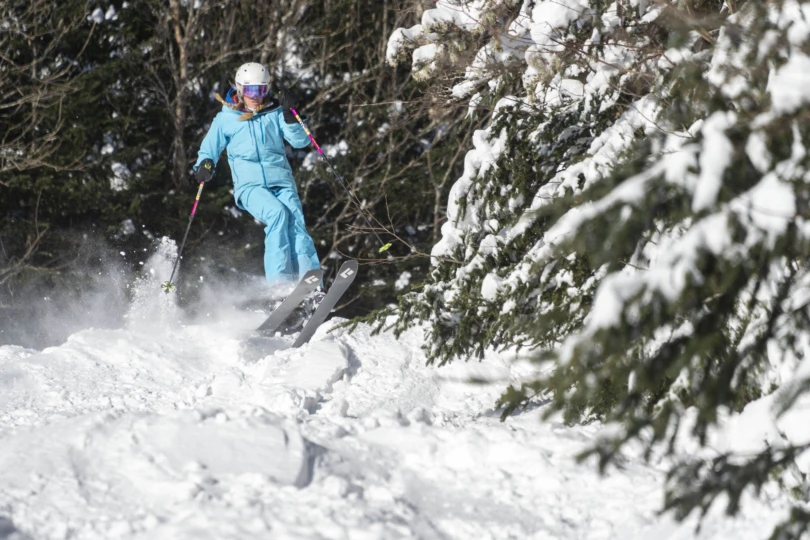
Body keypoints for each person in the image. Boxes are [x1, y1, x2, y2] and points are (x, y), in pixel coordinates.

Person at [192, 62, 321, 291]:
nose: (256, 97)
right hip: (250, 187)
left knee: (297, 227)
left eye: (261, 90)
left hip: (282, 182)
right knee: (278, 215)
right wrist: (205, 164)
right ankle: (281, 285)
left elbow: (301, 141)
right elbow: (208, 149)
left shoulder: (274, 113)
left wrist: (291, 117)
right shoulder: (226, 119)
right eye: (251, 90)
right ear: (240, 89)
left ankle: (310, 287)